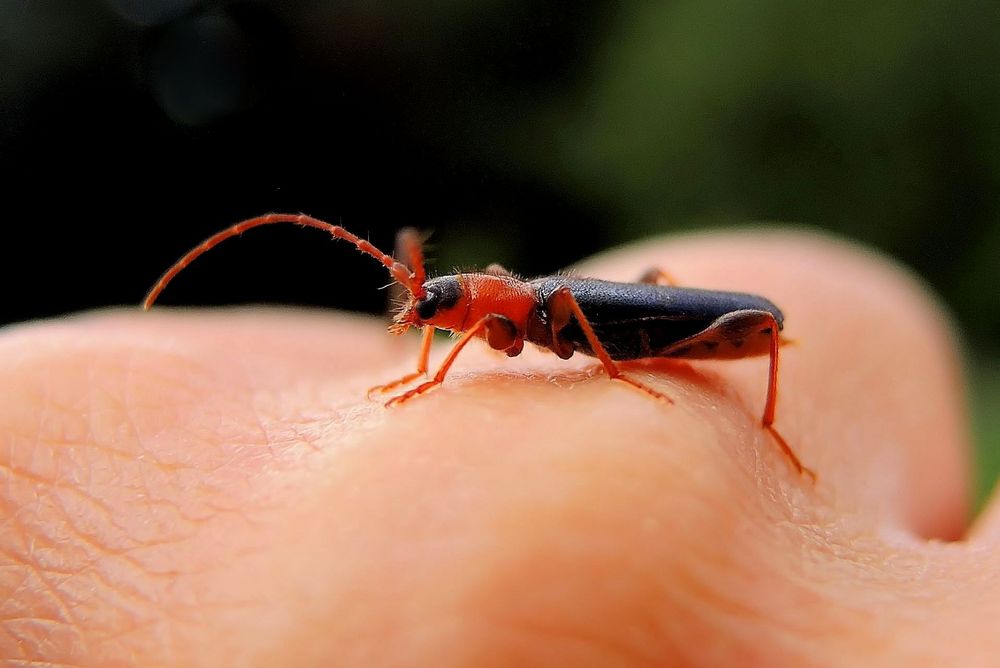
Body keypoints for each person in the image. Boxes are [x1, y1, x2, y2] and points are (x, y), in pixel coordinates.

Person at [1, 231, 989, 666]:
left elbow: (512, 324)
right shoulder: (506, 313)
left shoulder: (536, 310)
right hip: (667, 326)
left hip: (714, 328)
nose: (430, 316)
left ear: (468, 303)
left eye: (435, 307)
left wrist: (611, 371)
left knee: (658, 305)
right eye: (433, 311)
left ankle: (762, 419)